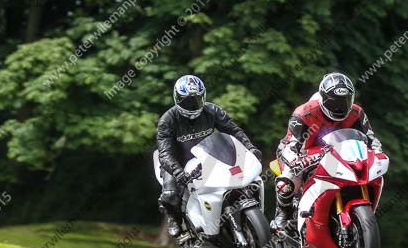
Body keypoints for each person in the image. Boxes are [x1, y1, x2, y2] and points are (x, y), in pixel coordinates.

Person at [271, 72, 383, 231]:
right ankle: (282, 215)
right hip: (302, 153)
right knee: (287, 179)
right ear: (323, 98)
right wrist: (295, 161)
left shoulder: (356, 113)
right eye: (334, 102)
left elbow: (372, 139)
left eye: (345, 101)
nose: (340, 106)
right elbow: (291, 144)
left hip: (336, 154)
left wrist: (378, 153)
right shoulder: (304, 112)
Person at [157, 75, 262, 237]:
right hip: (177, 162)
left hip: (208, 156)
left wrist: (250, 148)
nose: (192, 105)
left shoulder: (213, 111)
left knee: (245, 178)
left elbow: (234, 131)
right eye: (187, 101)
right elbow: (164, 153)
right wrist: (177, 172)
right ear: (177, 99)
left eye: (196, 100)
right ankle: (174, 219)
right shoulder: (167, 120)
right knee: (170, 195)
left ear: (203, 96)